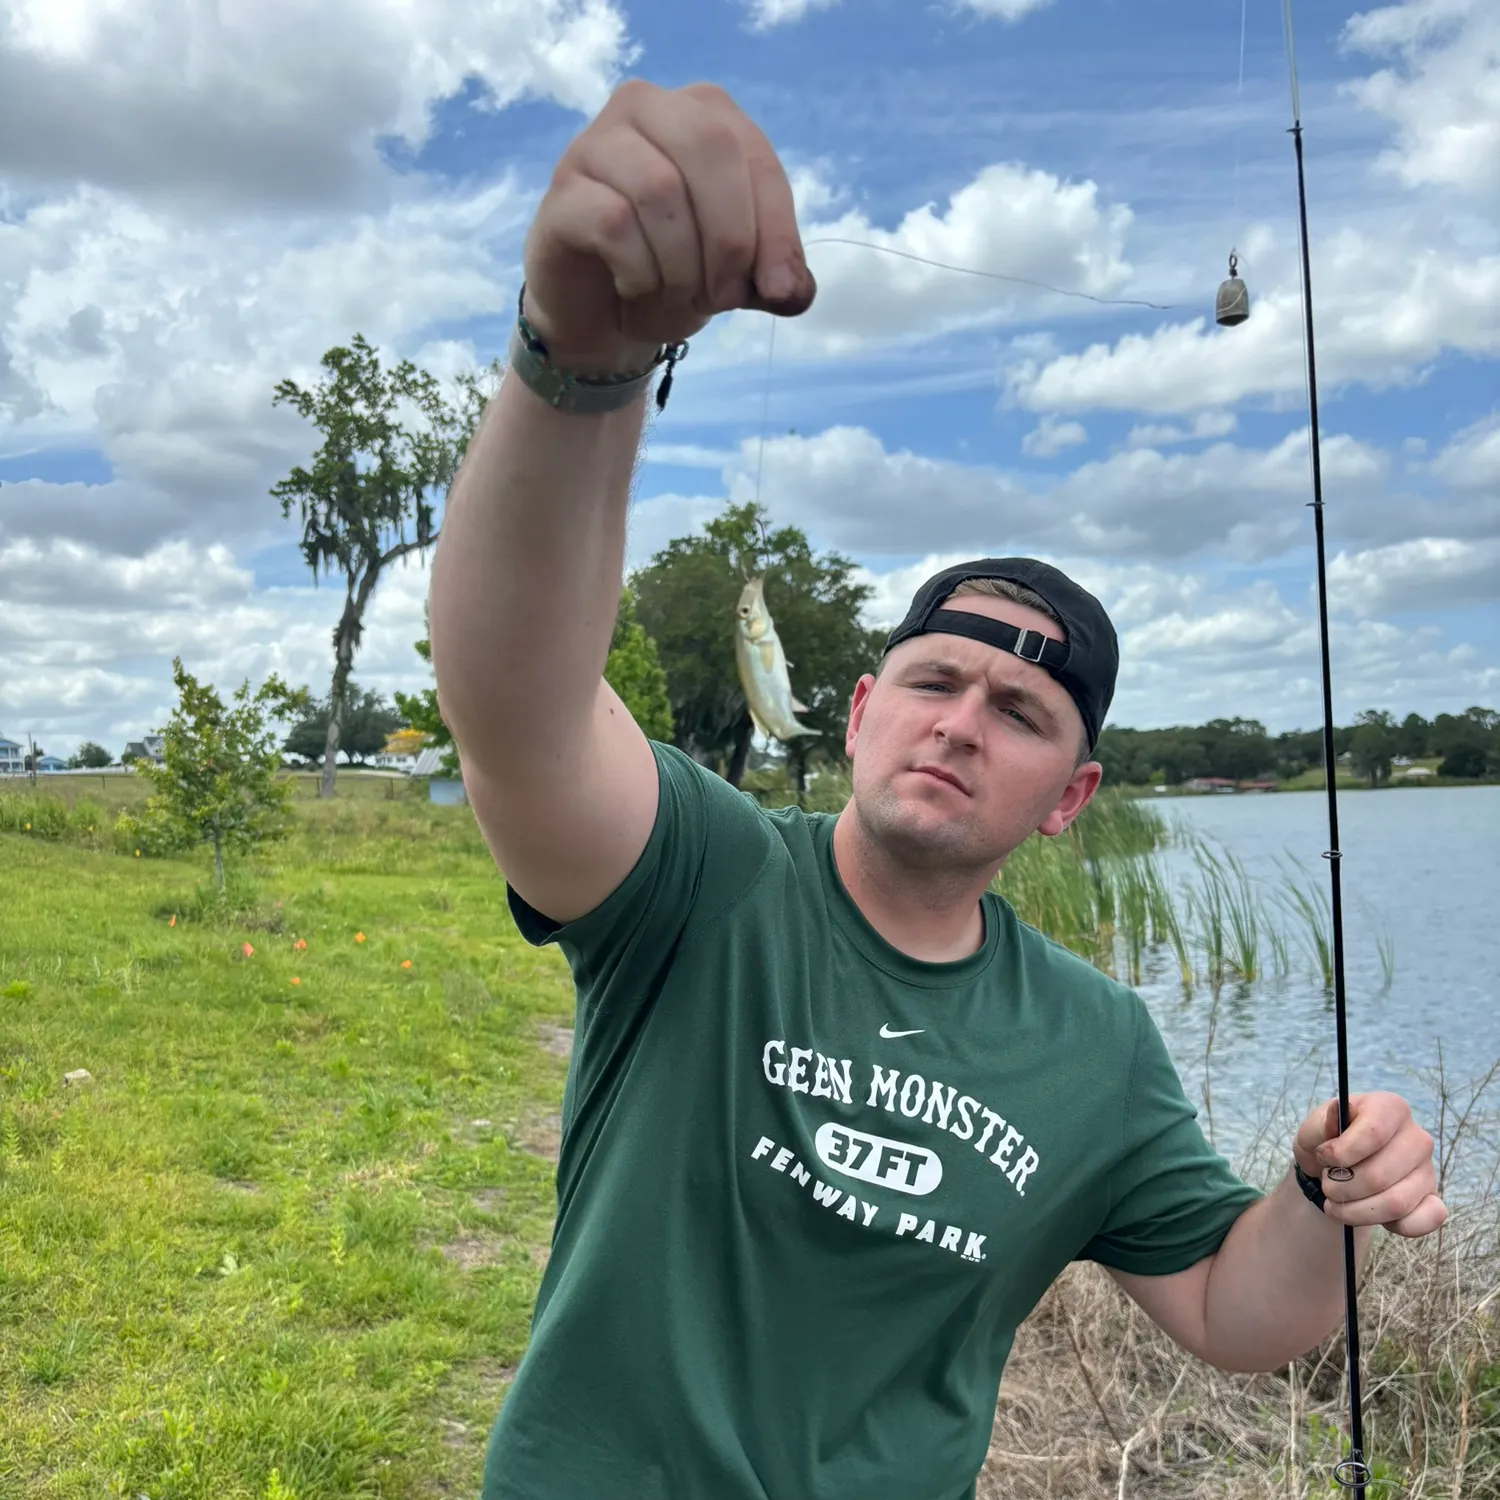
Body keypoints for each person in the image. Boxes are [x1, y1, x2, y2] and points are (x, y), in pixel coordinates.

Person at [427, 79, 1446, 1500]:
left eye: (1019, 711)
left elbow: (1233, 1311)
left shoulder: (1093, 1044)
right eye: (932, 681)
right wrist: (581, 366)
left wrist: (1328, 1191)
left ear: (1071, 796)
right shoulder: (697, 879)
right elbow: (518, 704)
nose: (961, 723)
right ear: (856, 713)